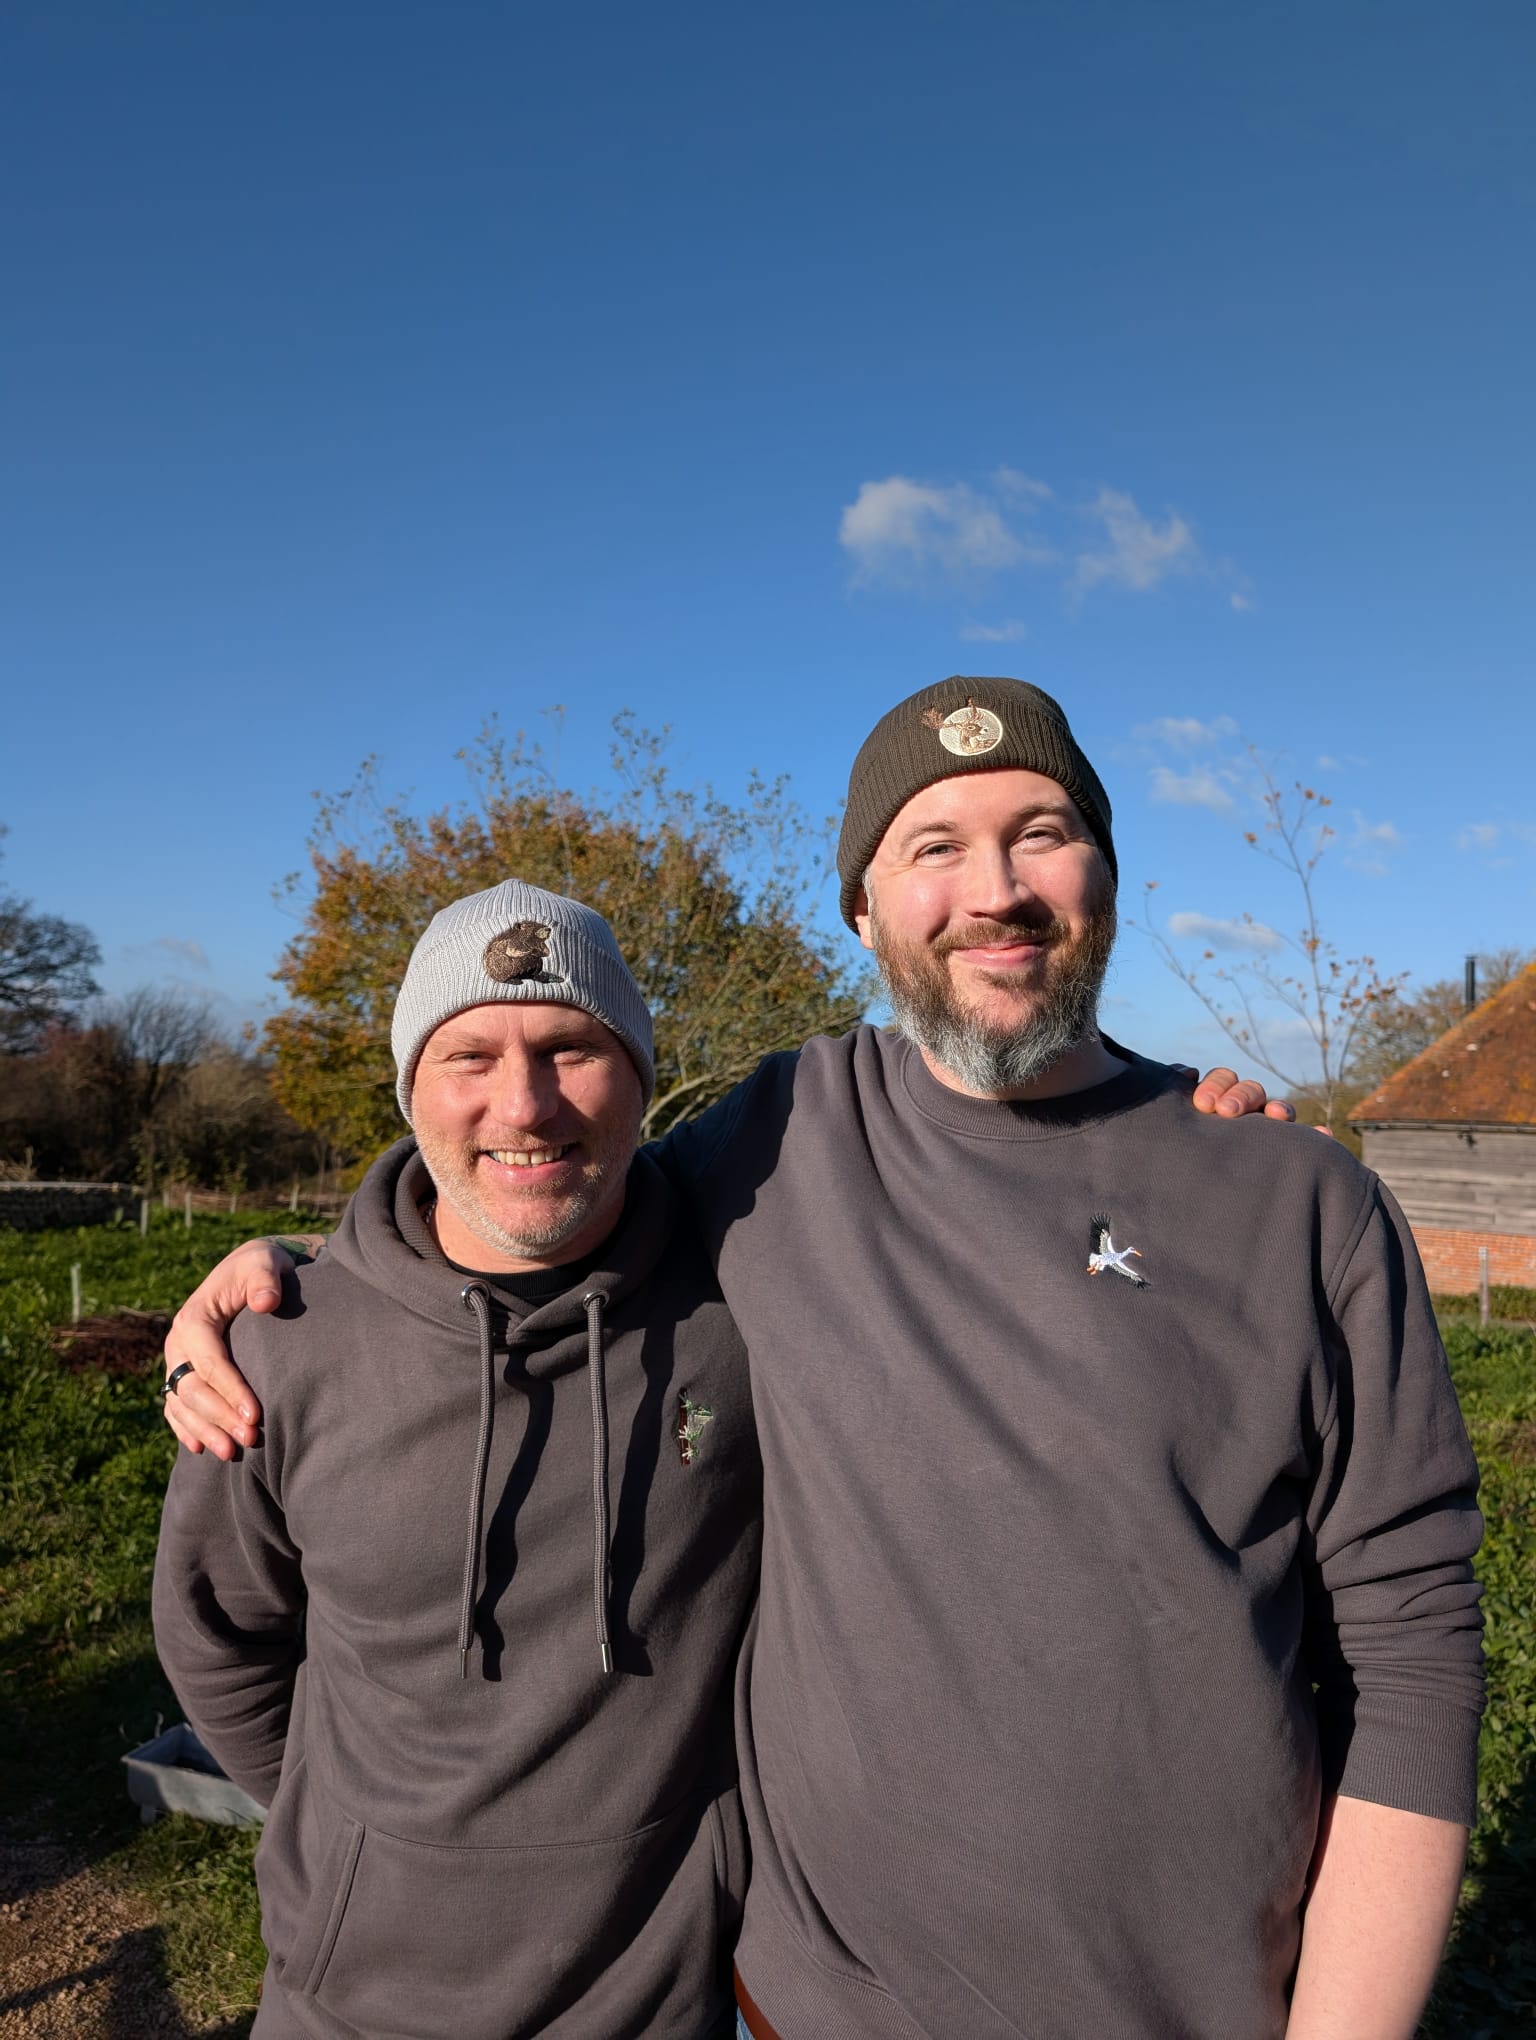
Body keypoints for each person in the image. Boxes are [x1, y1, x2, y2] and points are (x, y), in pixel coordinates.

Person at [162, 676, 1481, 2039]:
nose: (996, 890)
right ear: (861, 910)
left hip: (1201, 2006)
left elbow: (1415, 1649)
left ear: (1106, 872)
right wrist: (306, 1279)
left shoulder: (1292, 1202)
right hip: (804, 2006)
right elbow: (523, 1194)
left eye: (1040, 831)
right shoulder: (780, 1137)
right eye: (932, 848)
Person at [153, 882, 761, 2039]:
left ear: (639, 1075)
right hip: (354, 2006)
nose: (523, 1106)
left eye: (571, 1048)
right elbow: (215, 1632)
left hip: (664, 2001)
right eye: (468, 1055)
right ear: (410, 1091)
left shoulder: (751, 1308)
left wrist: (1197, 1133)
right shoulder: (281, 1348)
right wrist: (357, 1846)